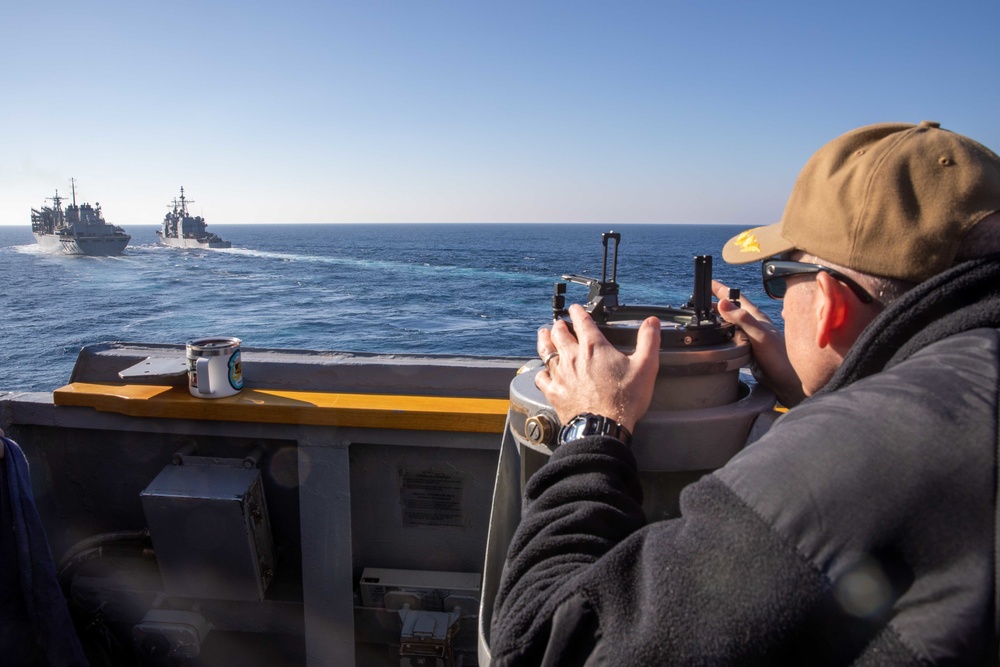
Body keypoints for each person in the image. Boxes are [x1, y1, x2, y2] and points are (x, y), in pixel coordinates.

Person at [489, 121, 1000, 665]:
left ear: (829, 304)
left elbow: (542, 644)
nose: (776, 300)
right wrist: (826, 382)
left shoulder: (840, 466)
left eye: (778, 278)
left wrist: (593, 427)